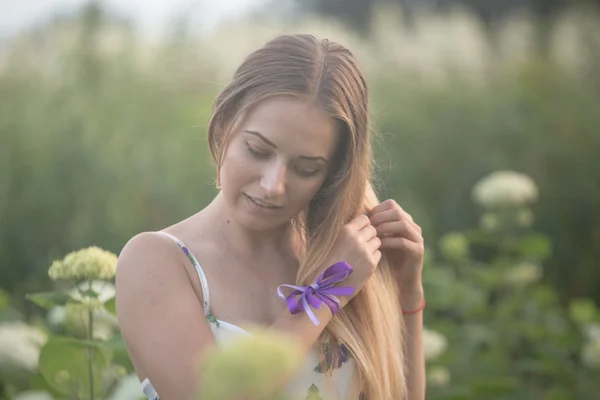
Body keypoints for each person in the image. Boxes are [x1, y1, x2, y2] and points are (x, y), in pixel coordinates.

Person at [115, 34, 426, 400]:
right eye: (257, 150)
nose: (273, 185)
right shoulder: (157, 261)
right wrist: (327, 291)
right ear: (222, 128)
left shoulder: (344, 254)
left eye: (306, 168)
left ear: (332, 175)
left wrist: (407, 291)